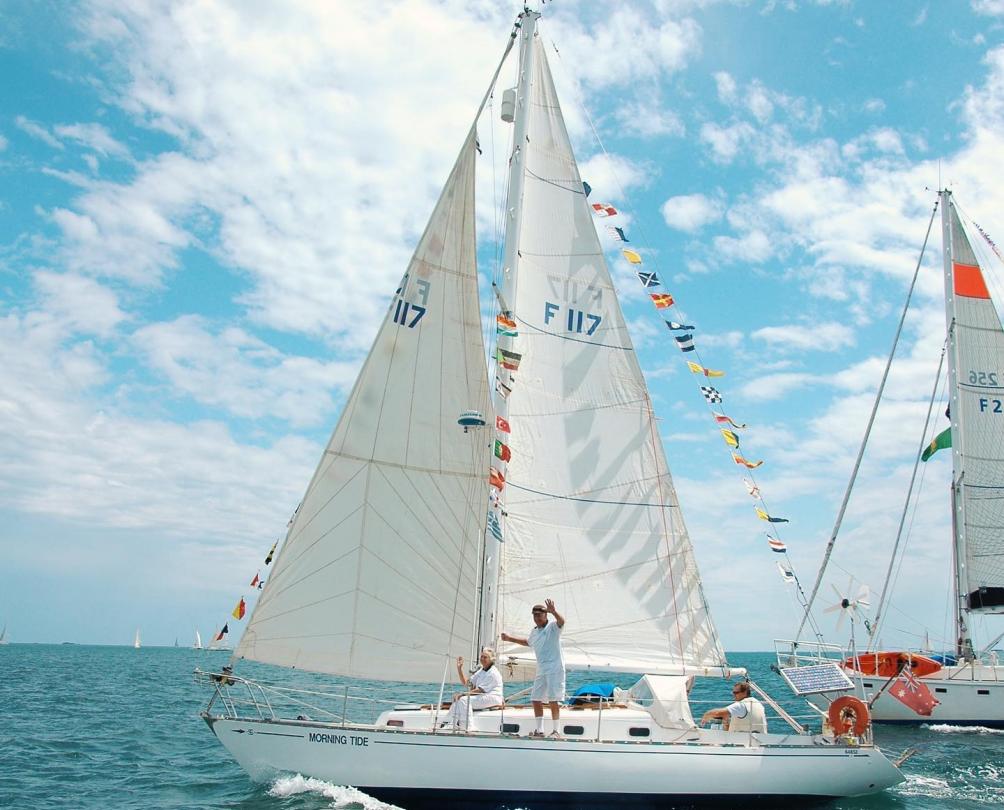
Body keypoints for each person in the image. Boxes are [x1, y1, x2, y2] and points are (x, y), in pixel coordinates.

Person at [501, 598, 565, 737]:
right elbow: (528, 642)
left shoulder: (553, 627)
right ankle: (540, 730)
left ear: (545, 615)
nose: (536, 618)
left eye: (539, 615)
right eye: (534, 615)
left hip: (555, 668)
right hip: (542, 669)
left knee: (553, 699)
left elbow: (562, 622)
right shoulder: (534, 631)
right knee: (535, 698)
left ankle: (556, 731)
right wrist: (509, 638)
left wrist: (554, 612)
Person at [443, 648, 504, 730]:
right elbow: (467, 683)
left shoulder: (493, 673)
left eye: (485, 657)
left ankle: (469, 727)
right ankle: (448, 724)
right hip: (484, 696)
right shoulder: (482, 670)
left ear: (491, 659)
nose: (482, 659)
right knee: (458, 701)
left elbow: (480, 690)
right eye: (481, 656)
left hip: (493, 697)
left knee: (464, 700)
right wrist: (459, 669)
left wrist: (462, 694)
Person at [699, 681, 767, 733]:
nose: (734, 695)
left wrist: (705, 716)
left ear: (745, 692)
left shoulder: (741, 705)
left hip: (743, 743)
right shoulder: (758, 703)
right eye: (733, 693)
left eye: (736, 693)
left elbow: (716, 713)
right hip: (758, 740)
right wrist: (726, 723)